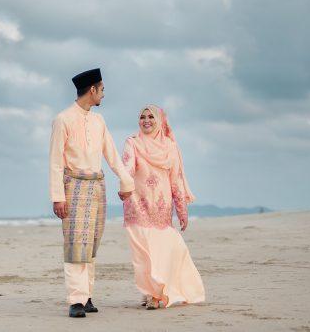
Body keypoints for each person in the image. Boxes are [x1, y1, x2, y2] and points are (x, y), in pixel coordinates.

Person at [49, 67, 135, 318]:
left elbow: (111, 154)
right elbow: (55, 161)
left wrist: (126, 181)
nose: (104, 95)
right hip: (73, 186)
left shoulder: (99, 120)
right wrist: (58, 196)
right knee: (77, 244)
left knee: (92, 244)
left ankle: (86, 296)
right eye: (102, 89)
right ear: (92, 89)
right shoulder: (62, 119)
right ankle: (75, 300)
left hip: (97, 186)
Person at [119, 104, 205, 310]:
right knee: (142, 255)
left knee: (163, 251)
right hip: (137, 205)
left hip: (161, 207)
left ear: (159, 121)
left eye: (151, 117)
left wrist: (182, 211)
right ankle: (150, 293)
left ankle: (159, 294)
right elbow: (128, 167)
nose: (146, 120)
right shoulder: (132, 143)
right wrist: (125, 186)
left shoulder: (170, 147)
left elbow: (175, 181)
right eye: (142, 116)